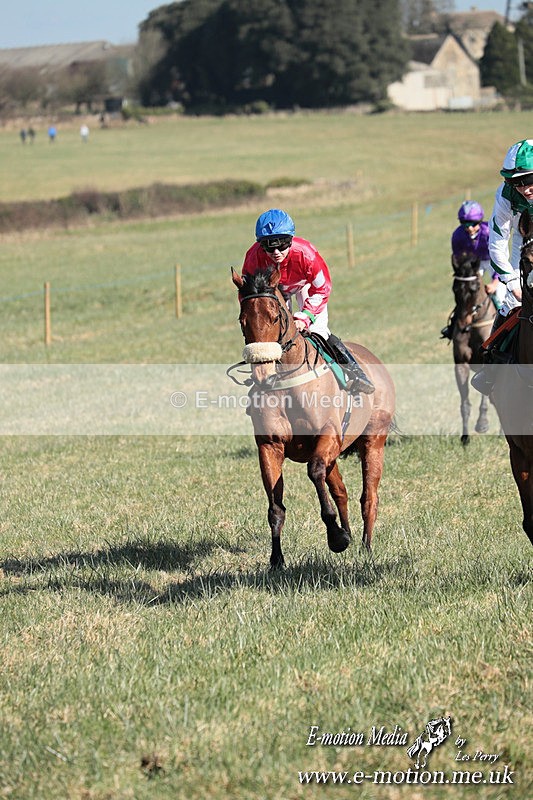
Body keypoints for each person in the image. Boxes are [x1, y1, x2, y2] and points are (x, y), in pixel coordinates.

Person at [241, 208, 374, 394]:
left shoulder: (306, 253)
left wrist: (306, 316)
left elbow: (323, 287)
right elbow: (247, 293)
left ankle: (354, 372)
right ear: (260, 245)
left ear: (291, 240)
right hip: (274, 292)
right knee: (273, 334)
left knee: (318, 331)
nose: (276, 252)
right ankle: (264, 383)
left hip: (307, 288)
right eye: (269, 246)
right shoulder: (253, 257)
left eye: (282, 244)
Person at [471, 139, 533, 395]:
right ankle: (492, 367)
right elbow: (497, 241)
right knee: (508, 304)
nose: (523, 188)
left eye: (528, 179)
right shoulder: (505, 195)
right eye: (515, 182)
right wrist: (511, 281)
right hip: (524, 242)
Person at [440, 200, 504, 340]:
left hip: (493, 261)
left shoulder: (488, 232)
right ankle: (453, 326)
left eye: (473, 224)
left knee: (500, 293)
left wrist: (495, 281)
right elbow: (459, 260)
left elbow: (499, 258)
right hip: (474, 263)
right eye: (465, 224)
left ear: (480, 221)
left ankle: (504, 327)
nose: (469, 228)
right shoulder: (457, 236)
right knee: (465, 293)